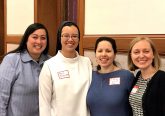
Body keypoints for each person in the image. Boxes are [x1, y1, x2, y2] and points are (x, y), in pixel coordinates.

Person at [39, 21, 92, 116]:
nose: (70, 39)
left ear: (79, 39)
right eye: (66, 35)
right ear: (60, 38)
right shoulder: (49, 65)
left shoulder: (86, 62)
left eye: (74, 36)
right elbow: (44, 104)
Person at [0, 23, 50, 116]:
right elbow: (1, 97)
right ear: (26, 39)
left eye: (43, 38)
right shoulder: (12, 60)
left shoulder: (50, 62)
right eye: (35, 37)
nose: (39, 42)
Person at [86, 37, 134, 116]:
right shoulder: (90, 76)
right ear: (95, 54)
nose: (103, 54)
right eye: (100, 51)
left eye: (108, 51)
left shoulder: (126, 76)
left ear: (114, 54)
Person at [128, 37, 165, 116]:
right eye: (136, 52)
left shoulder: (162, 79)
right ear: (131, 56)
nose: (141, 56)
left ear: (153, 54)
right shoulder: (138, 76)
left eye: (146, 51)